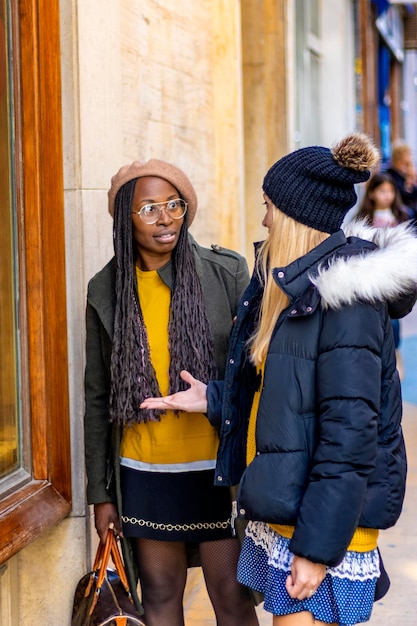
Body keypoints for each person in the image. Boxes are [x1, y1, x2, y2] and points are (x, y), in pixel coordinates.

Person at [141, 133, 417, 626]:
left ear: (295, 216)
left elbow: (349, 441)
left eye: (269, 206)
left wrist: (316, 551)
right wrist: (216, 400)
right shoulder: (297, 288)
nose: (264, 218)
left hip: (322, 526)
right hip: (294, 511)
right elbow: (290, 407)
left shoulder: (346, 301)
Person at [84, 159, 259, 626]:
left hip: (217, 469)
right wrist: (101, 495)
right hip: (144, 469)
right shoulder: (106, 289)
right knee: (160, 594)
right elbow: (98, 397)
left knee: (233, 596)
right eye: (149, 209)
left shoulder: (226, 273)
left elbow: (257, 372)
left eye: (174, 205)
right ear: (126, 218)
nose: (165, 219)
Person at [356, 171, 411, 377]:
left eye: (390, 191)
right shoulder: (363, 219)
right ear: (371, 193)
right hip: (373, 275)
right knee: (378, 317)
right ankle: (382, 355)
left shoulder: (402, 216)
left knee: (394, 318)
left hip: (395, 275)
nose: (387, 196)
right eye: (382, 191)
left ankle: (395, 352)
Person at [385, 142, 417, 219]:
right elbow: (402, 195)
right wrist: (408, 185)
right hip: (397, 209)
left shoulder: (405, 175)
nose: (407, 166)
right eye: (405, 163)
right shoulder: (390, 175)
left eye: (408, 163)